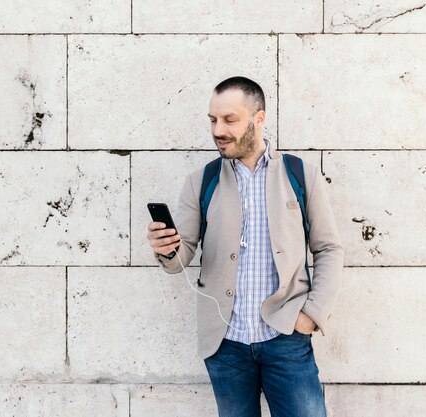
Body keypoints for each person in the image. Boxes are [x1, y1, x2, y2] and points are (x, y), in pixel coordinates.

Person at [147, 76, 344, 417]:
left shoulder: (301, 175)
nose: (218, 130)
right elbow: (180, 259)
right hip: (226, 346)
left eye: (229, 119)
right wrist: (166, 248)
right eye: (212, 119)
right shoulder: (201, 181)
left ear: (259, 119)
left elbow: (328, 248)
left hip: (286, 338)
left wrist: (311, 315)